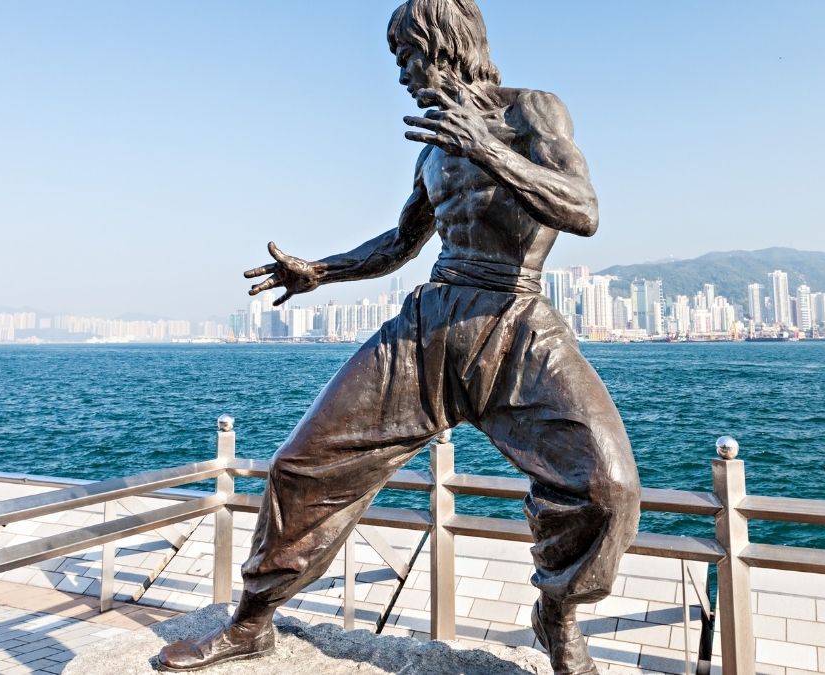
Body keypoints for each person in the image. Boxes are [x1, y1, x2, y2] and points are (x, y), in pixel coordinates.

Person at [157, 1, 639, 673]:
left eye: (408, 59)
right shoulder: (431, 150)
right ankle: (251, 620)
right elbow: (401, 243)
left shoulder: (532, 110)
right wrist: (319, 271)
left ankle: (557, 610)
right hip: (432, 324)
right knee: (302, 465)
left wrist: (489, 149)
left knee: (607, 487)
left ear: (445, 50)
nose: (404, 76)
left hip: (518, 322)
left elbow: (583, 209)